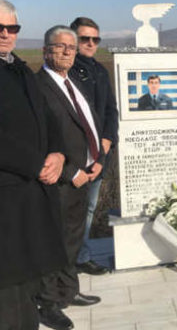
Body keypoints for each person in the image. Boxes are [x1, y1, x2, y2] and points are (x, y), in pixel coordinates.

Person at [0, 0, 68, 330]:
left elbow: (48, 116)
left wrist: (57, 153)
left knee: (27, 285)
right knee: (7, 291)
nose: (5, 34)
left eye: (12, 27)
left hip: (31, 194)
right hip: (6, 198)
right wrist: (35, 163)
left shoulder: (20, 69)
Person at [37, 25, 104, 330]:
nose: (67, 51)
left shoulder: (71, 82)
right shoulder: (37, 86)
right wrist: (70, 171)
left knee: (72, 240)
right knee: (53, 242)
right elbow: (37, 139)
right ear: (45, 50)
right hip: (59, 181)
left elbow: (86, 123)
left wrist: (97, 160)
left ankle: (68, 290)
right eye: (60, 46)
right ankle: (48, 303)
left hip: (84, 176)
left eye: (72, 47)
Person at [69, 17, 118, 276]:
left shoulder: (100, 71)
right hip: (73, 157)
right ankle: (64, 263)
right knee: (69, 211)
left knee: (88, 208)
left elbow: (111, 110)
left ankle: (81, 257)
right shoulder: (65, 71)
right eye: (84, 38)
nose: (90, 43)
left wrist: (107, 142)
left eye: (95, 39)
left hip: (99, 157)